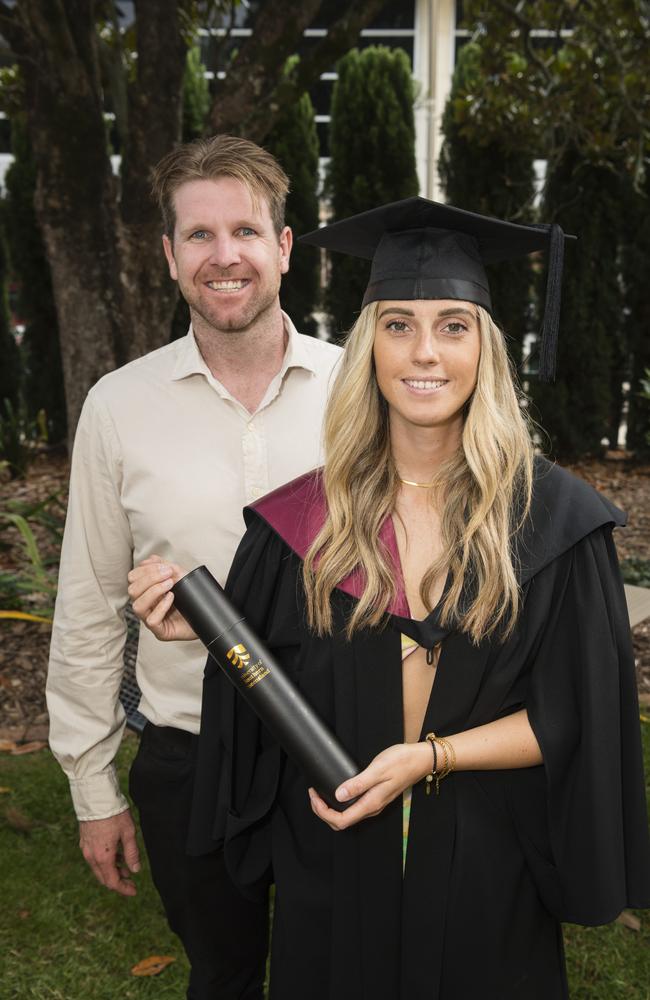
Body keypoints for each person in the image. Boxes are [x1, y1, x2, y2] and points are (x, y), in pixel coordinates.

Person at [129, 197, 650, 999]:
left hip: (486, 863)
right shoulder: (303, 521)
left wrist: (429, 758)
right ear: (369, 348)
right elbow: (270, 679)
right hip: (335, 857)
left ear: (487, 348)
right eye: (398, 324)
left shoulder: (554, 522)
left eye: (453, 325)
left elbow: (577, 710)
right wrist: (191, 630)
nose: (425, 353)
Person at [46, 134, 342, 1000]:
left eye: (246, 231)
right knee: (222, 974)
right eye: (200, 236)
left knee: (348, 970)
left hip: (342, 745)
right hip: (189, 754)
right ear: (170, 256)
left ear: (283, 249)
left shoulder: (361, 388)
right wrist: (91, 786)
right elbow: (90, 603)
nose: (225, 257)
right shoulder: (119, 406)